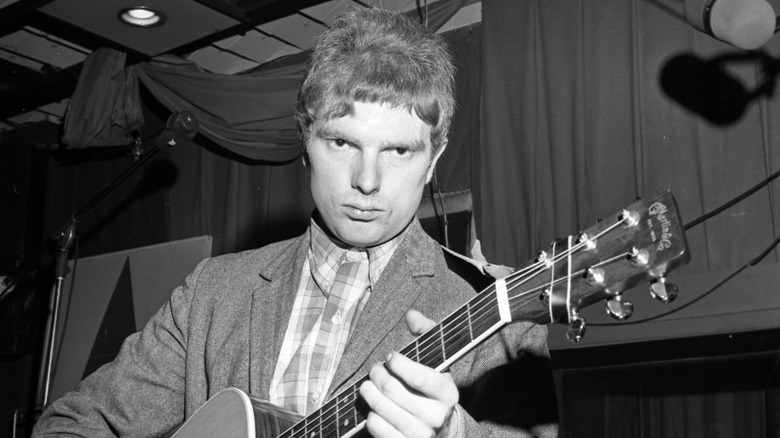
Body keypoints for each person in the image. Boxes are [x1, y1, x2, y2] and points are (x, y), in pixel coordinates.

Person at [33, 7, 558, 438]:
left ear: (433, 160)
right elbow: (69, 425)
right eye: (342, 142)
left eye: (398, 150)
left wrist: (456, 434)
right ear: (305, 141)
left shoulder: (495, 313)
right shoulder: (213, 293)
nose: (367, 180)